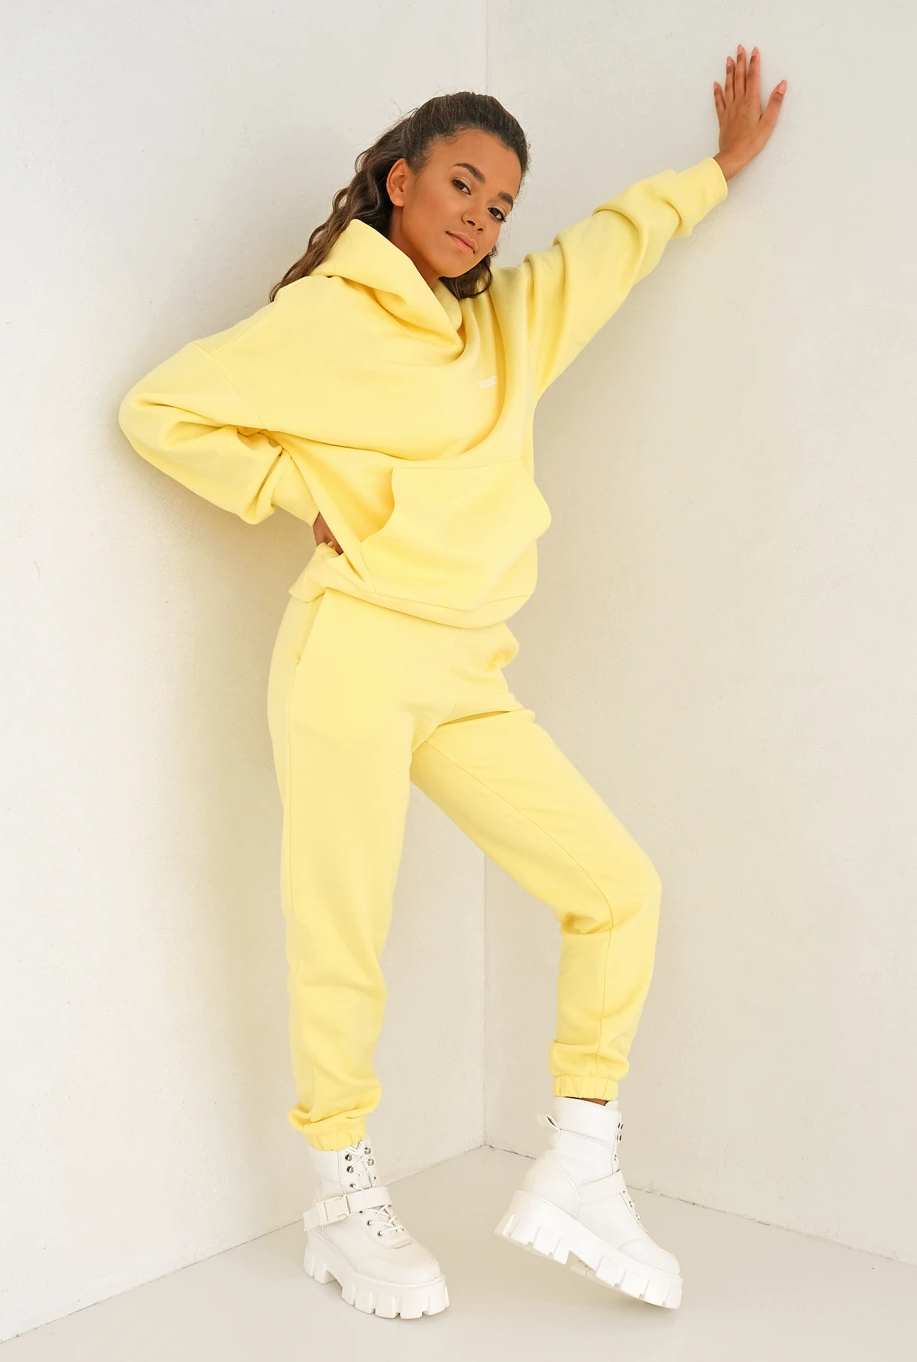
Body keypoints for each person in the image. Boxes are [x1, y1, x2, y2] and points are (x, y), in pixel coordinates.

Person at [117, 53, 786, 1321]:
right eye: (463, 184)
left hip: (469, 665)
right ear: (401, 180)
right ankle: (340, 1200)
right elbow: (160, 410)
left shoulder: (508, 326)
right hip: (354, 654)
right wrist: (298, 493)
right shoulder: (325, 320)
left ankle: (581, 1157)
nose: (481, 217)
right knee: (345, 936)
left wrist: (716, 170)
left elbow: (613, 246)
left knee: (617, 890)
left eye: (500, 204)